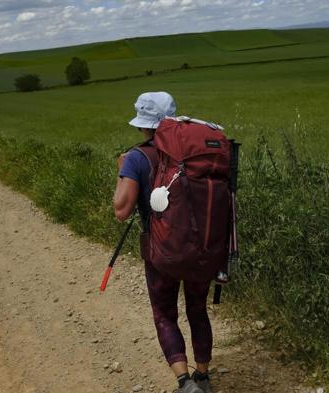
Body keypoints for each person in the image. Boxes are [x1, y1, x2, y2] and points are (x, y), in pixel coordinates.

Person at [113, 92, 214, 393]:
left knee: (165, 313)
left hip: (162, 253)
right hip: (201, 247)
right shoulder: (194, 151)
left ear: (143, 125)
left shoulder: (136, 157)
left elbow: (121, 210)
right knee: (197, 308)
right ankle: (204, 376)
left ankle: (184, 381)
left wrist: (122, 173)